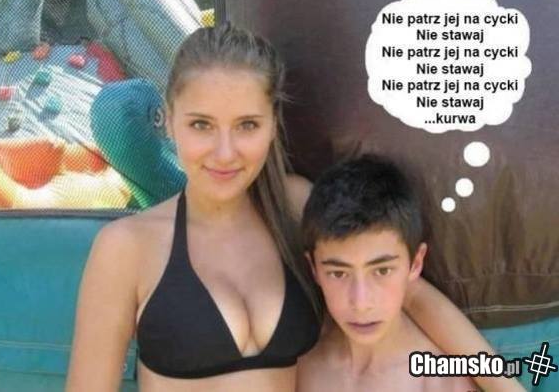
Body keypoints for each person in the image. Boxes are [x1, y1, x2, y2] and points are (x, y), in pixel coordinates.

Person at [66, 23, 520, 392]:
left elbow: (412, 294)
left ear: (272, 124)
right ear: (168, 120)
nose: (224, 153)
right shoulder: (127, 248)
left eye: (247, 125)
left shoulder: (297, 207)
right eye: (201, 125)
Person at [297, 155, 478, 391]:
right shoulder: (298, 367)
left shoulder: (440, 383)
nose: (361, 303)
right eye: (338, 274)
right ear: (313, 268)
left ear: (415, 263)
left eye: (382, 271)